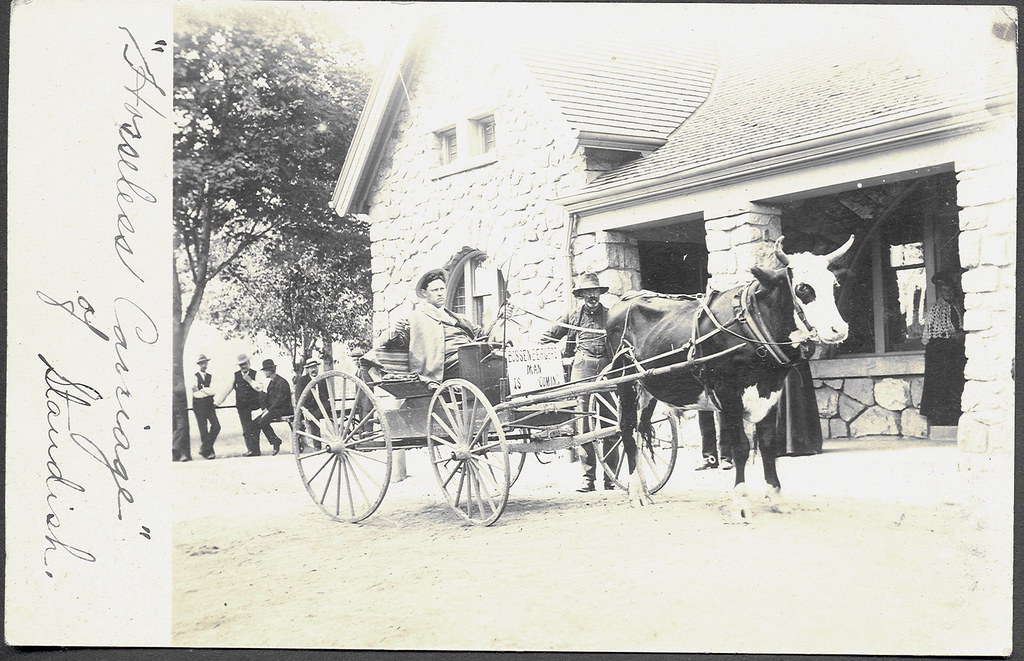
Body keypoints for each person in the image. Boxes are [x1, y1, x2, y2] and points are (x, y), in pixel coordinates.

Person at [541, 273, 620, 492]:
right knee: (583, 424)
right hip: (582, 368)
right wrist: (559, 360)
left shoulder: (611, 315)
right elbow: (546, 337)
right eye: (588, 292)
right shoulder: (572, 316)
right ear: (582, 294)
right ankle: (588, 478)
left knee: (611, 423)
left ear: (599, 293)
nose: (592, 295)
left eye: (595, 291)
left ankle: (611, 476)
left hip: (606, 368)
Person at [383, 268, 484, 381]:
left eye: (442, 289)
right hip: (444, 363)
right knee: (476, 358)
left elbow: (480, 333)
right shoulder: (416, 317)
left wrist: (501, 317)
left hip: (470, 353)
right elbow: (398, 342)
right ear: (424, 293)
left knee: (495, 356)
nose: (440, 293)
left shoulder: (457, 316)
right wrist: (396, 331)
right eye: (435, 290)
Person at [920, 267, 967, 426]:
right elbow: (934, 338)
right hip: (942, 359)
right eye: (942, 288)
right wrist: (953, 338)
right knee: (942, 390)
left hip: (955, 357)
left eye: (948, 287)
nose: (946, 291)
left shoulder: (957, 307)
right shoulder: (936, 310)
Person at [217, 353, 263, 457]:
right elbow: (226, 390)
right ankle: (251, 450)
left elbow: (260, 388)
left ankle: (256, 450)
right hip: (242, 407)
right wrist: (217, 402)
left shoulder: (256, 374)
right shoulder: (235, 376)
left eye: (245, 364)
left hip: (255, 406)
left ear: (249, 363)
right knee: (246, 428)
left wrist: (250, 381)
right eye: (241, 365)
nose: (243, 366)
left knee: (255, 427)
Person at [253, 358, 292, 456]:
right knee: (255, 423)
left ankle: (275, 442)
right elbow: (270, 399)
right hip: (275, 409)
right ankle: (255, 450)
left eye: (265, 371)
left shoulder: (282, 382)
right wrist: (263, 404)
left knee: (262, 421)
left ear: (270, 370)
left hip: (283, 409)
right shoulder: (272, 382)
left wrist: (268, 410)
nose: (264, 373)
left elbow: (280, 400)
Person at [294, 357, 328, 451]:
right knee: (312, 418)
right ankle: (317, 446)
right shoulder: (302, 381)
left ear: (318, 368)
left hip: (321, 406)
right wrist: (305, 409)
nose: (313, 369)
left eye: (315, 367)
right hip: (309, 407)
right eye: (311, 367)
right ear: (307, 369)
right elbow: (299, 398)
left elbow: (326, 396)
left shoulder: (322, 379)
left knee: (323, 409)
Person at [191, 354, 221, 460]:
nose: (204, 364)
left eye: (205, 362)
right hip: (198, 405)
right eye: (202, 363)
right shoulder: (194, 376)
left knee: (216, 426)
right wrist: (207, 392)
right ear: (199, 364)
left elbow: (214, 391)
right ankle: (209, 453)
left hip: (209, 404)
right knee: (203, 429)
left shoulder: (210, 376)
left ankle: (204, 448)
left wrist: (204, 391)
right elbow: (196, 393)